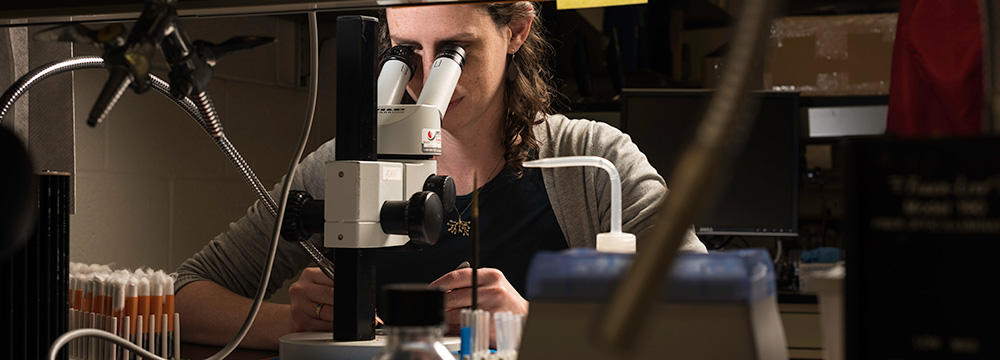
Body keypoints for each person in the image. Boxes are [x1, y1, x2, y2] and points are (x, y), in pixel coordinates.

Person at [175, 2, 707, 350]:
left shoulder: (592, 161)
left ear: (516, 30)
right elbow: (183, 296)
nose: (430, 80)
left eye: (457, 52)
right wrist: (295, 324)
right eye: (407, 54)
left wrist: (532, 323)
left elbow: (701, 305)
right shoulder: (344, 162)